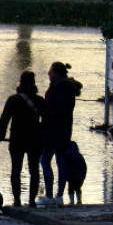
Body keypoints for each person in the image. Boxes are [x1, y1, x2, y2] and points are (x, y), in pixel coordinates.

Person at [0, 71, 46, 207]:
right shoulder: (40, 100)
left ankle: (17, 200)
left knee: (15, 170)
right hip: (35, 139)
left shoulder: (13, 99)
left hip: (17, 139)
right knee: (34, 170)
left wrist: (0, 136)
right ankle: (31, 201)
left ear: (21, 82)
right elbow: (47, 120)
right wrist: (40, 132)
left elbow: (4, 119)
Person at [38, 62, 82, 206]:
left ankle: (50, 195)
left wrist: (46, 119)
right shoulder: (68, 87)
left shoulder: (59, 87)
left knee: (45, 160)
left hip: (53, 130)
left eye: (50, 71)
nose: (48, 74)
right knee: (61, 161)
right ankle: (59, 195)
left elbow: (58, 110)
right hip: (64, 130)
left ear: (56, 73)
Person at [60, 141, 87, 205]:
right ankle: (79, 201)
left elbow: (65, 166)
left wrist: (65, 176)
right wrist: (83, 176)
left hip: (71, 176)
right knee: (78, 188)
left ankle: (71, 202)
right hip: (80, 176)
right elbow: (84, 167)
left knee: (71, 189)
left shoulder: (67, 155)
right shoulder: (80, 156)